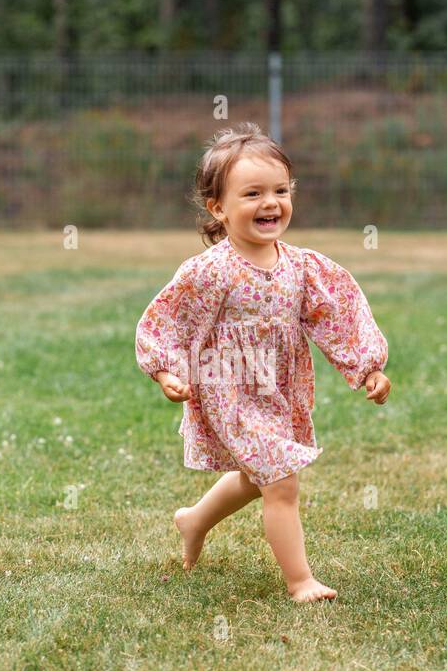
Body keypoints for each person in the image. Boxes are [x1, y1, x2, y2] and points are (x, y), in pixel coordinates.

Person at [134, 123, 391, 602]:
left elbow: (338, 312)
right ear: (219, 209)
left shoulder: (302, 266)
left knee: (259, 476)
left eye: (280, 190)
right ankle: (301, 581)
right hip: (228, 388)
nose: (270, 202)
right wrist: (166, 370)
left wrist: (367, 367)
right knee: (281, 481)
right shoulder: (210, 270)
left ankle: (194, 520)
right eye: (252, 193)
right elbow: (168, 318)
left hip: (279, 390)